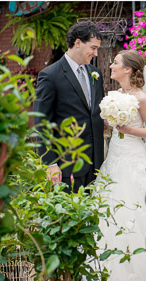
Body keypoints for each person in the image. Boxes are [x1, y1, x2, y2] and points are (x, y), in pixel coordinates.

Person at [95, 50, 146, 281]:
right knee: (110, 212)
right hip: (114, 158)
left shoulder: (142, 98)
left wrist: (128, 129)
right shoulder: (115, 96)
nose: (111, 66)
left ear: (128, 69)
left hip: (134, 161)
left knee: (135, 213)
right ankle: (109, 272)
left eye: (115, 63)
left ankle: (141, 273)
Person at [34, 22, 105, 193]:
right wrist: (50, 163)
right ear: (78, 43)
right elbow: (41, 122)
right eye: (93, 48)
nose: (96, 53)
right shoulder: (50, 75)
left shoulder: (95, 73)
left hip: (96, 164)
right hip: (67, 166)